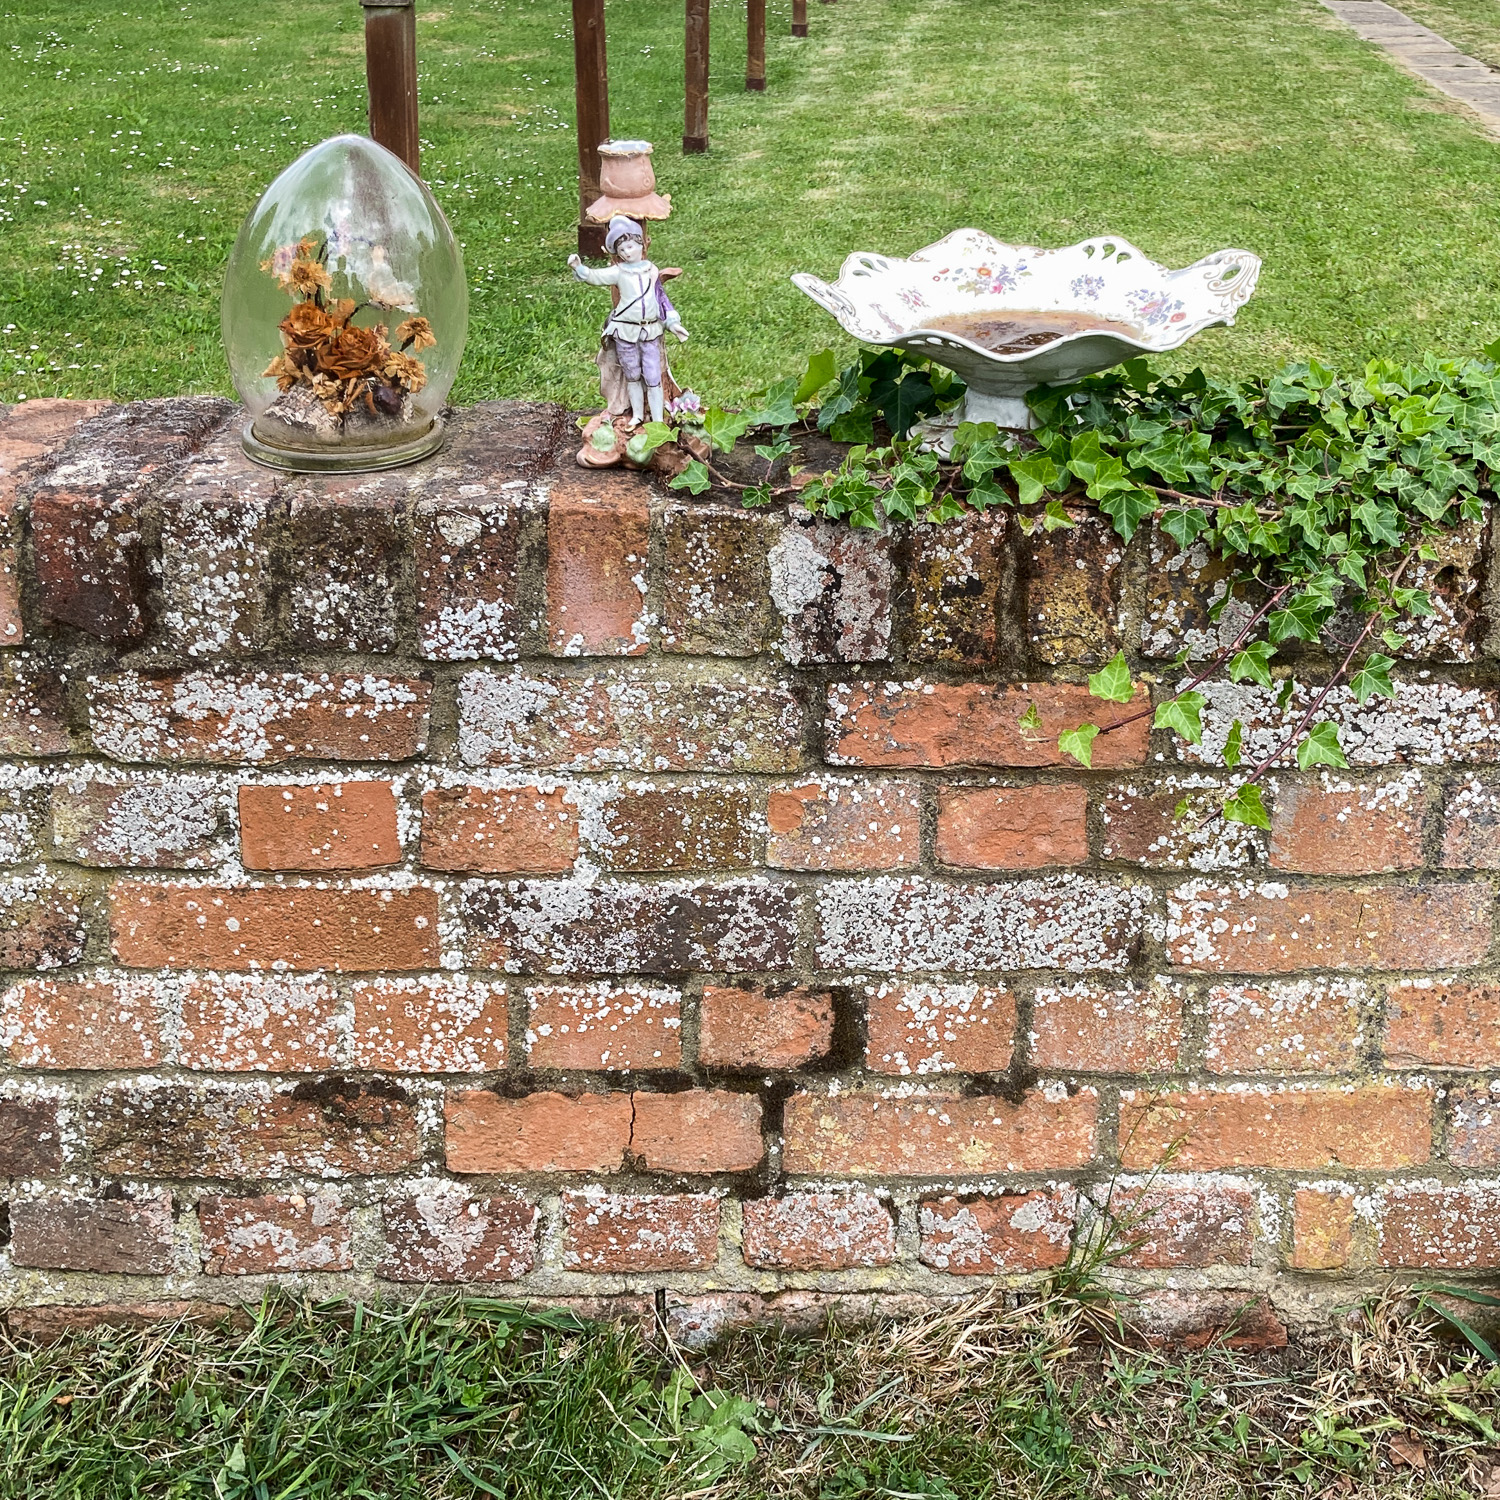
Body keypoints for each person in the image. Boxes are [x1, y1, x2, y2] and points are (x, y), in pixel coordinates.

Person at [568, 215, 689, 426]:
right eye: (621, 249)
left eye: (631, 246)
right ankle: (637, 415)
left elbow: (661, 298)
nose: (627, 252)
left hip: (650, 330)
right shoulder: (618, 272)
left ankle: (658, 421)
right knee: (632, 374)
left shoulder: (651, 271)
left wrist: (672, 323)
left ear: (641, 244)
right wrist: (580, 268)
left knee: (652, 377)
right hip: (625, 331)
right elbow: (596, 277)